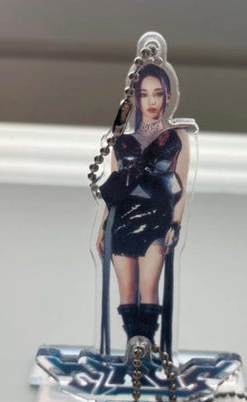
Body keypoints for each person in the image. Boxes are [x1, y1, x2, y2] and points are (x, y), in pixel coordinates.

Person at [97, 63, 190, 349]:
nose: (152, 101)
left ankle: (147, 346)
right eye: (145, 94)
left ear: (168, 96)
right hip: (122, 220)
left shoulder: (177, 137)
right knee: (127, 291)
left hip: (157, 219)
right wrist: (103, 226)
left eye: (158, 94)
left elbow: (182, 185)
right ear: (136, 98)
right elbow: (113, 186)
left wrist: (176, 223)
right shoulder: (121, 141)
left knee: (149, 288)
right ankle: (133, 348)